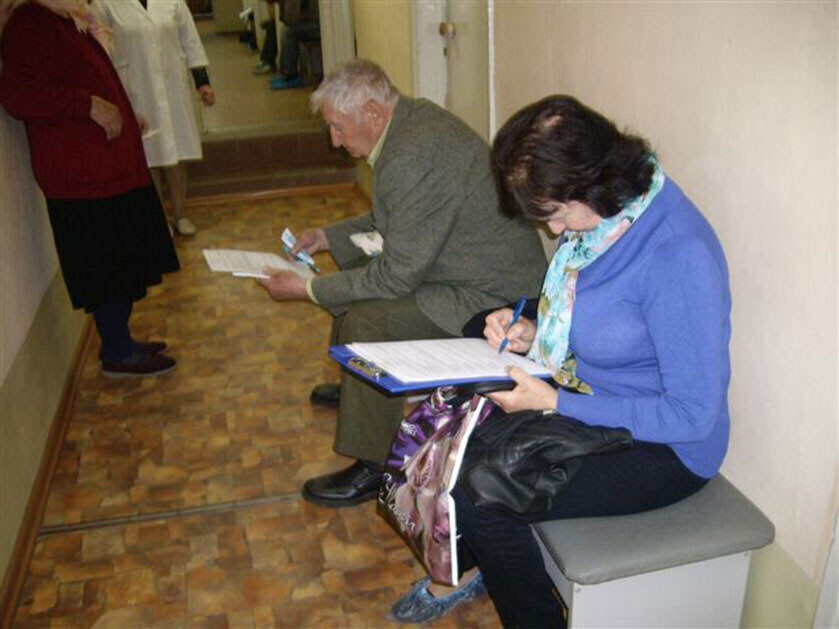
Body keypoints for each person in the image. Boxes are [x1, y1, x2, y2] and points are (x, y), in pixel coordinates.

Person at [389, 95, 732, 625]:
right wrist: (533, 332)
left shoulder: (676, 255)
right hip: (589, 395)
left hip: (665, 447)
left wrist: (554, 402)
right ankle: (476, 562)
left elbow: (692, 417)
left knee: (481, 493)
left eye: (552, 214)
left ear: (590, 181)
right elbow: (602, 319)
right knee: (454, 425)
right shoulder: (603, 222)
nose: (552, 232)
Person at [257, 59, 547, 508]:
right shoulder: (411, 124)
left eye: (338, 127)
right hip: (465, 269)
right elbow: (394, 217)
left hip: (493, 298)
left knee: (367, 321)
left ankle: (373, 464)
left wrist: (308, 290)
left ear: (372, 113)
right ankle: (362, 386)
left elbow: (396, 274)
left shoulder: (412, 154)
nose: (334, 140)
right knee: (362, 296)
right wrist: (327, 238)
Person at [0, 0, 180, 377]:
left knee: (123, 263)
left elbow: (83, 77)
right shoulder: (31, 21)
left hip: (106, 170)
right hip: (83, 178)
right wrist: (87, 105)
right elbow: (17, 93)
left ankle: (121, 342)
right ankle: (117, 352)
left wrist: (125, 113)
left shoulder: (66, 19)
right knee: (106, 267)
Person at [94, 0, 215, 236]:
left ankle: (181, 214)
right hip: (134, 88)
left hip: (173, 87)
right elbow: (100, 49)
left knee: (178, 152)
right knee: (147, 155)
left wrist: (202, 82)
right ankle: (159, 218)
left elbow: (189, 40)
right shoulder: (106, 4)